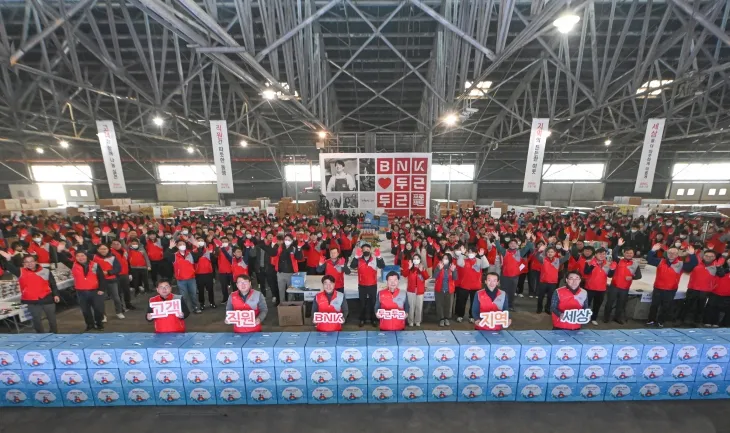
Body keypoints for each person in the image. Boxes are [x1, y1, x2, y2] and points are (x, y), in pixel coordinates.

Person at [0, 252, 60, 333]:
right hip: (31, 301)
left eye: (31, 261)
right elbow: (9, 267)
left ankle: (54, 334)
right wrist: (8, 259)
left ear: (36, 262)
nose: (29, 263)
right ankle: (41, 336)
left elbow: (53, 284)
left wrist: (56, 294)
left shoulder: (46, 271)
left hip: (47, 299)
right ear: (24, 264)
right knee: (36, 321)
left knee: (52, 319)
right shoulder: (20, 271)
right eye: (27, 262)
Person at [645, 244, 697, 327]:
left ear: (677, 255)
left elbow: (693, 265)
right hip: (658, 287)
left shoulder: (681, 264)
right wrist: (652, 251)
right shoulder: (660, 261)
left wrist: (692, 255)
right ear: (667, 253)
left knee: (665, 306)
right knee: (654, 305)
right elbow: (649, 259)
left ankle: (660, 321)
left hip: (671, 289)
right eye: (670, 253)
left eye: (674, 253)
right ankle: (651, 320)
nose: (671, 254)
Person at [57, 247, 107, 331]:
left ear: (86, 256)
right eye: (78, 256)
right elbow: (63, 259)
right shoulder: (73, 265)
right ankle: (89, 325)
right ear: (75, 257)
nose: (81, 258)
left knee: (98, 309)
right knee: (85, 310)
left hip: (95, 291)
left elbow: (101, 278)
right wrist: (59, 251)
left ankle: (99, 324)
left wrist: (101, 289)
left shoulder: (95, 265)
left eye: (82, 255)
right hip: (81, 292)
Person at [491, 231, 534, 311]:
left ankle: (510, 305)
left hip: (514, 277)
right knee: (503, 291)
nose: (512, 244)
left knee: (512, 292)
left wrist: (528, 238)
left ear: (517, 245)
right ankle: (502, 305)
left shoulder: (520, 252)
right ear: (509, 244)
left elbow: (528, 246)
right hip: (505, 276)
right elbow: (498, 247)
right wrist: (496, 238)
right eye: (511, 243)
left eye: (514, 243)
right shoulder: (505, 252)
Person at [679, 249, 722, 326]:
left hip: (705, 291)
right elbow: (687, 268)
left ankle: (697, 322)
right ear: (703, 256)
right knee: (689, 306)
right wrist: (691, 255)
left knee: (700, 308)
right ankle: (685, 321)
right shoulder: (696, 264)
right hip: (692, 289)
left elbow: (722, 275)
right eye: (706, 256)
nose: (708, 257)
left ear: (714, 257)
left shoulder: (716, 267)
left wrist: (719, 267)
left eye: (711, 256)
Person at [605, 239, 642, 324]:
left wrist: (632, 277)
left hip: (625, 288)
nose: (629, 254)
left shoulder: (635, 264)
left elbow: (639, 276)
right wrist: (618, 245)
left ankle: (617, 318)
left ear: (633, 254)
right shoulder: (618, 260)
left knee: (621, 304)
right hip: (614, 286)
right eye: (627, 253)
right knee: (609, 302)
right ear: (623, 253)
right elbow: (614, 253)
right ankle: (606, 317)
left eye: (631, 253)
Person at [350, 243, 385, 327]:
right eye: (364, 249)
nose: (366, 250)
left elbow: (382, 266)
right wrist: (355, 257)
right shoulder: (358, 259)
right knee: (362, 303)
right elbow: (352, 266)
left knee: (373, 303)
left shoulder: (375, 259)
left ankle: (373, 319)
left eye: (368, 249)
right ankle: (362, 319)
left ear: (370, 250)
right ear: (362, 251)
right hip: (362, 285)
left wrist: (379, 257)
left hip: (372, 285)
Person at [264, 233, 303, 305]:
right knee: (281, 290)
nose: (287, 241)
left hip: (291, 273)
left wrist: (299, 249)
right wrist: (273, 244)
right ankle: (282, 305)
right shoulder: (279, 248)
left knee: (291, 291)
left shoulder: (294, 248)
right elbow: (273, 254)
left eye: (289, 240)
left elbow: (299, 258)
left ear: (292, 240)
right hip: (280, 273)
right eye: (286, 239)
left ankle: (290, 304)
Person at [166, 238, 203, 314]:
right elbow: (165, 256)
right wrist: (170, 247)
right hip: (181, 279)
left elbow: (200, 254)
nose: (182, 246)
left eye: (183, 244)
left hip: (191, 278)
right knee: (183, 296)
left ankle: (195, 308)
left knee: (193, 294)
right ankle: (184, 309)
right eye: (180, 244)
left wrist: (197, 246)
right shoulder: (174, 256)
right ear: (176, 246)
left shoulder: (190, 254)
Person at [455, 246, 490, 323]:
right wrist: (462, 254)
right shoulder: (464, 260)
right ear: (467, 253)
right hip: (464, 285)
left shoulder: (479, 261)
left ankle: (472, 316)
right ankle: (460, 315)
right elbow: (459, 263)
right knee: (462, 302)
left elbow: (486, 265)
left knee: (474, 302)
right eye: (469, 252)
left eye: (473, 252)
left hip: (475, 286)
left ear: (476, 253)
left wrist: (482, 256)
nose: (471, 254)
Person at [535, 243, 570, 314]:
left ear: (555, 253)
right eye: (548, 252)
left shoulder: (558, 260)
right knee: (540, 297)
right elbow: (537, 256)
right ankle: (539, 308)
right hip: (543, 282)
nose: (550, 253)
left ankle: (547, 309)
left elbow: (567, 257)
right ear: (546, 253)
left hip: (553, 283)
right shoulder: (543, 260)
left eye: (552, 252)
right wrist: (539, 251)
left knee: (550, 297)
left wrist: (567, 251)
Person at [92, 244, 125, 319]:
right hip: (99, 282)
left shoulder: (113, 257)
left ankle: (119, 312)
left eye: (105, 249)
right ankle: (103, 315)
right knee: (100, 299)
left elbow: (118, 269)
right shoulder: (94, 257)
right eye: (101, 249)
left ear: (108, 249)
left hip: (111, 280)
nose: (103, 250)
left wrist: (108, 272)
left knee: (116, 298)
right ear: (97, 250)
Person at [583, 248, 611, 325]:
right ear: (595, 254)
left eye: (604, 254)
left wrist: (613, 269)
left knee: (597, 304)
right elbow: (586, 272)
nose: (602, 255)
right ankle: (584, 317)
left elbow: (610, 275)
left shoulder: (607, 263)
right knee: (586, 304)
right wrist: (592, 265)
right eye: (600, 254)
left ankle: (594, 318)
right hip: (590, 287)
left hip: (601, 288)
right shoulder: (589, 262)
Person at [403, 253, 429, 327]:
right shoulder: (410, 268)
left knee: (419, 307)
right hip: (411, 290)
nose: (416, 260)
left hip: (420, 291)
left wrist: (422, 271)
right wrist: (409, 267)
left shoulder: (422, 268)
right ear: (412, 260)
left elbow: (426, 277)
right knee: (411, 306)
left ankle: (418, 321)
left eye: (417, 259)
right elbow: (404, 274)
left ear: (420, 260)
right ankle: (410, 321)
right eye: (414, 258)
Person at [433, 253, 458, 327]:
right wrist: (438, 269)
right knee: (439, 305)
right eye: (444, 258)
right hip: (439, 289)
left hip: (449, 290)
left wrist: (453, 271)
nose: (445, 259)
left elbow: (455, 278)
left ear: (449, 260)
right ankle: (441, 319)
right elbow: (434, 276)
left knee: (448, 305)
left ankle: (446, 318)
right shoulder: (439, 266)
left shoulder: (452, 267)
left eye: (447, 258)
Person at [110, 240, 135, 311]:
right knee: (118, 292)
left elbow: (127, 262)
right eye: (114, 244)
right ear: (111, 245)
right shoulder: (110, 253)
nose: (116, 245)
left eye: (118, 244)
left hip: (125, 274)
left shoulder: (124, 251)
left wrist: (130, 273)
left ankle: (128, 304)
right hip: (116, 275)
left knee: (127, 291)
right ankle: (120, 307)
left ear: (120, 244)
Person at [704, 261, 730, 327]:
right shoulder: (720, 268)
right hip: (715, 291)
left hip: (727, 294)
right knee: (711, 307)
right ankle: (707, 321)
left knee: (721, 310)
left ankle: (717, 323)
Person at [193, 237, 216, 310]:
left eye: (202, 240)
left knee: (210, 289)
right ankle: (202, 303)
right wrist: (199, 249)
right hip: (199, 274)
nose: (200, 242)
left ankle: (212, 302)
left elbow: (214, 260)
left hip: (208, 273)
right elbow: (195, 260)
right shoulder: (194, 251)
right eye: (199, 241)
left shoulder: (208, 251)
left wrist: (212, 254)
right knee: (201, 290)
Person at [216, 236, 234, 304]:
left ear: (229, 242)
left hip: (231, 270)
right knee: (224, 286)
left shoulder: (232, 249)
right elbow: (214, 257)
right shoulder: (218, 250)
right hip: (222, 271)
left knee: (234, 285)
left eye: (226, 241)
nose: (224, 243)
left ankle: (236, 298)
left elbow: (231, 259)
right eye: (222, 242)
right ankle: (225, 298)